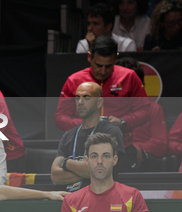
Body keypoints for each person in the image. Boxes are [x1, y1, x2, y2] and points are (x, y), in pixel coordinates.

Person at [55, 36, 150, 171]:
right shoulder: (74, 80)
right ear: (89, 57)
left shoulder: (129, 77)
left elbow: (145, 112)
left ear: (116, 58)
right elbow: (60, 118)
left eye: (108, 66)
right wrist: (87, 126)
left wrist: (123, 122)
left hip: (121, 148)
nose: (103, 71)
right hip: (83, 149)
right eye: (99, 65)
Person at [51, 82, 125, 191]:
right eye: (77, 98)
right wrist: (89, 172)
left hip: (102, 197)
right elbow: (55, 177)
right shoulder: (68, 135)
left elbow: (104, 171)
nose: (80, 102)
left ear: (99, 102)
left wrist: (65, 163)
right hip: (71, 198)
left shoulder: (111, 131)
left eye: (87, 98)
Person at [115, 57, 168, 167]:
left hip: (143, 162)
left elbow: (161, 146)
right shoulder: (104, 109)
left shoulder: (153, 108)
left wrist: (132, 149)